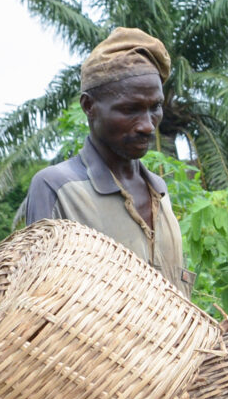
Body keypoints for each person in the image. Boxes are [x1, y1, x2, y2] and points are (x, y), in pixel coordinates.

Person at [18, 27, 192, 289]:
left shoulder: (160, 191)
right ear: (89, 106)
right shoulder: (58, 189)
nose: (147, 125)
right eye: (130, 109)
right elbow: (36, 300)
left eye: (154, 107)